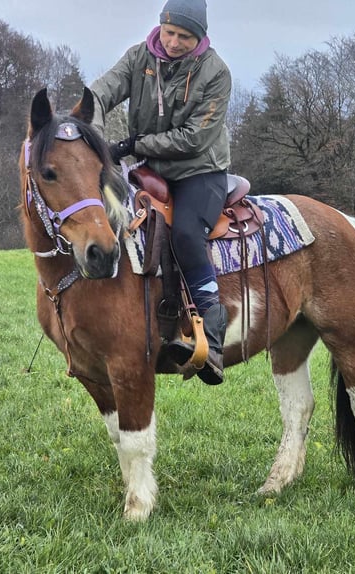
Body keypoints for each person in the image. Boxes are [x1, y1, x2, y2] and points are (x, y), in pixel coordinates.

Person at [89, 0, 231, 385]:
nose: (173, 42)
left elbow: (194, 138)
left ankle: (212, 336)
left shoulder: (216, 73)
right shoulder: (139, 57)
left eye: (184, 36)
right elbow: (99, 94)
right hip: (150, 172)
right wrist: (99, 141)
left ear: (199, 37)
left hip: (199, 171)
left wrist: (136, 144)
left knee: (185, 232)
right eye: (169, 32)